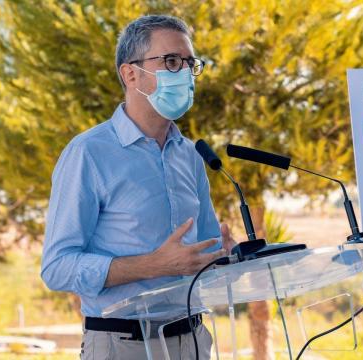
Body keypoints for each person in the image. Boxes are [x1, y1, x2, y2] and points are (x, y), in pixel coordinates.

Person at [40, 15, 235, 359]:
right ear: (130, 73)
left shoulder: (190, 155)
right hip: (122, 345)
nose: (185, 74)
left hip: (193, 341)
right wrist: (154, 265)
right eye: (172, 62)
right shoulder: (89, 153)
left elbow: (202, 252)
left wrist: (226, 256)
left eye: (190, 64)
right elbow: (58, 267)